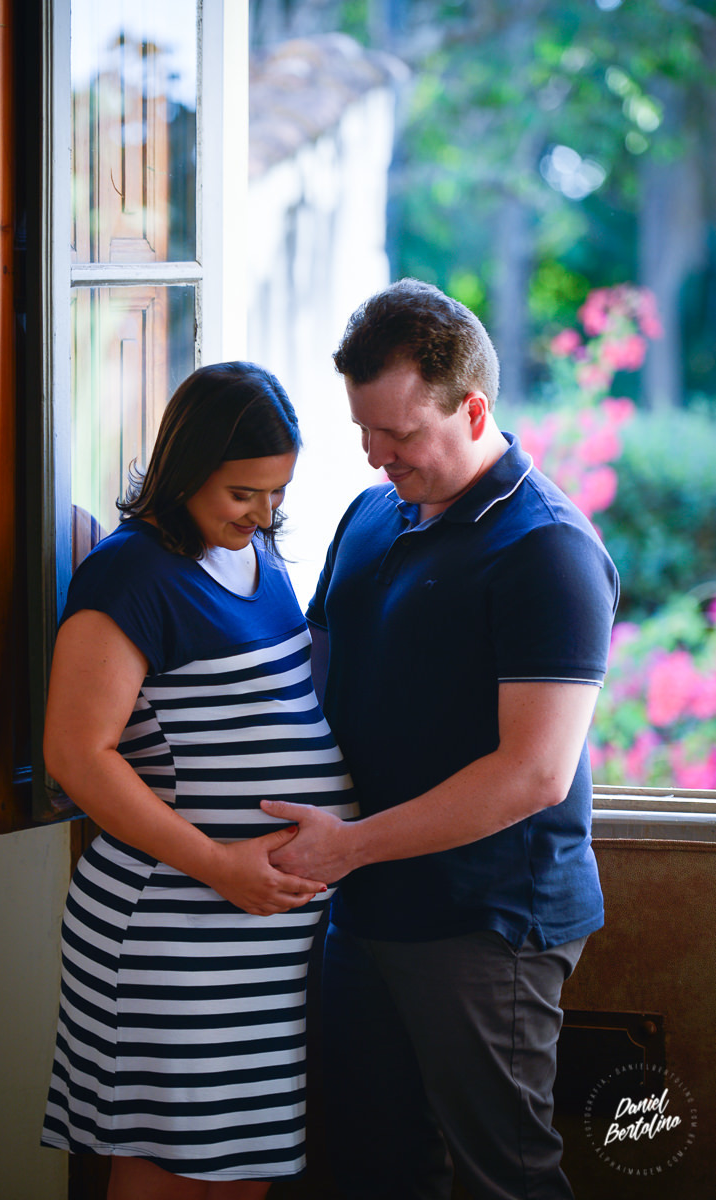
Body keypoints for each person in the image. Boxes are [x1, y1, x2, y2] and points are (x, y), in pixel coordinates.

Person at [261, 280, 620, 1200]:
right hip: (365, 905)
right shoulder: (373, 512)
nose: (378, 457)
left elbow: (534, 774)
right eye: (364, 433)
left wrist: (345, 847)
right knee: (375, 1167)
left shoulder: (548, 551)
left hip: (486, 922)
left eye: (401, 435)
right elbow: (315, 669)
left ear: (473, 408)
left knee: (505, 1175)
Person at [40, 361, 357, 1200]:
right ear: (185, 470)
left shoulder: (262, 561)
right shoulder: (129, 575)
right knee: (164, 1177)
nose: (263, 513)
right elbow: (78, 757)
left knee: (243, 1177)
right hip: (170, 934)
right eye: (242, 493)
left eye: (277, 491)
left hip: (260, 948)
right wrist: (219, 864)